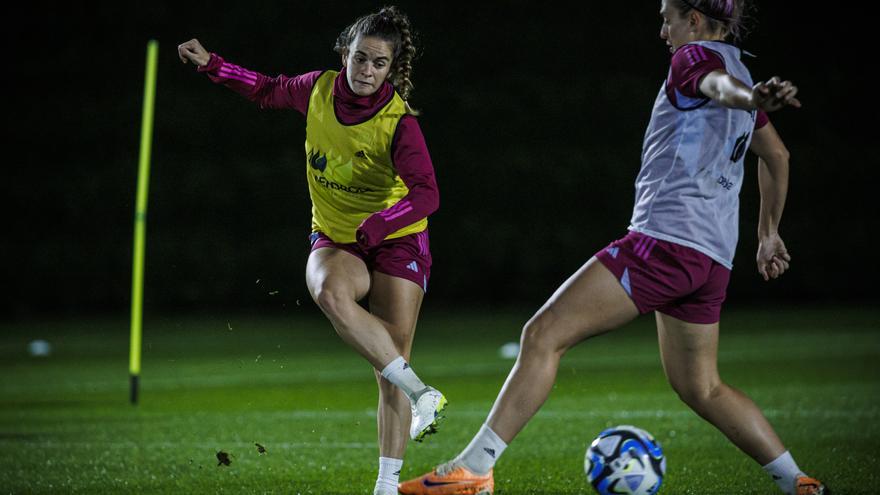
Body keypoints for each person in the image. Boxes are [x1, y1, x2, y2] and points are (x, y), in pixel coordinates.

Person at [398, 1, 827, 494]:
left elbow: (716, 88)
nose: (662, 28)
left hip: (664, 243)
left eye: (668, 15)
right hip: (711, 258)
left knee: (542, 335)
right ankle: (798, 482)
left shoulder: (696, 60)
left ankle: (473, 471)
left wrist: (748, 97)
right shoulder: (739, 67)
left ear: (694, 19)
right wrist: (767, 231)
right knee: (701, 386)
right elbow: (777, 155)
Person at [178, 6, 447, 495]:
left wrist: (380, 222)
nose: (367, 70)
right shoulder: (317, 89)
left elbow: (427, 193)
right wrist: (212, 65)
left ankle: (387, 486)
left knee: (389, 360)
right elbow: (265, 88)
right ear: (345, 55)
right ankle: (422, 393)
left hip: (398, 238)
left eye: (379, 63)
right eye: (360, 58)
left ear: (392, 69)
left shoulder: (398, 122)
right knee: (327, 289)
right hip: (337, 237)